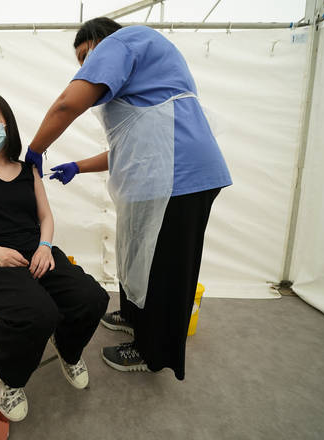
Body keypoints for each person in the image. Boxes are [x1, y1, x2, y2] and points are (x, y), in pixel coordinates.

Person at [23, 18, 232, 381]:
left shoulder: (127, 39)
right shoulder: (141, 77)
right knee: (138, 256)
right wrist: (77, 165)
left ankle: (153, 352)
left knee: (165, 266)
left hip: (179, 175)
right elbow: (126, 148)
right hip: (158, 177)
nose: (87, 67)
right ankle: (136, 318)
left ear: (102, 40)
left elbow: (65, 106)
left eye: (88, 56)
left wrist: (36, 149)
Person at [0, 91, 109, 422]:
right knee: (39, 314)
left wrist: (45, 248)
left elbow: (45, 217)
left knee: (93, 298)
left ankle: (68, 347)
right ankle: (4, 371)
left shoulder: (26, 169)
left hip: (37, 251)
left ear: (6, 122)